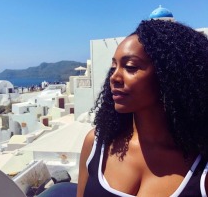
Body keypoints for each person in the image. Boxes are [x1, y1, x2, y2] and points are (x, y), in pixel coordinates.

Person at [77, 19, 208, 197]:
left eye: (130, 67)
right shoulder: (96, 144)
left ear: (170, 77)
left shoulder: (201, 168)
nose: (114, 77)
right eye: (114, 67)